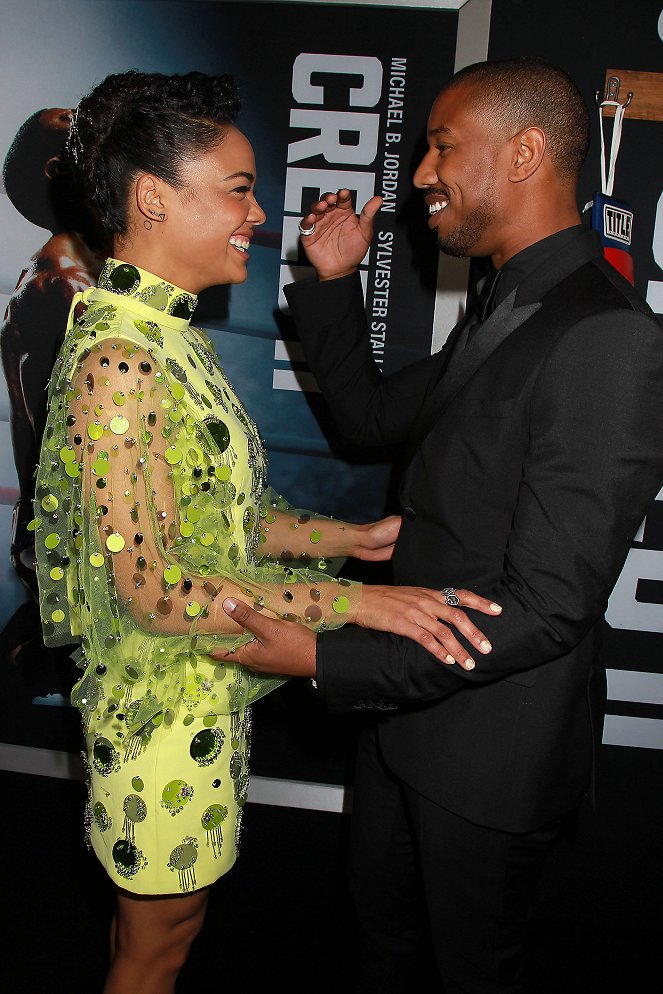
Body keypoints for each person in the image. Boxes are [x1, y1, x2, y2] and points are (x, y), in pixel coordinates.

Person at [33, 70, 498, 994]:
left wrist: (354, 537)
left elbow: (227, 524)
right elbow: (155, 588)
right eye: (239, 190)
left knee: (177, 931)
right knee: (153, 950)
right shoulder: (121, 357)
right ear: (153, 198)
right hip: (159, 722)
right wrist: (360, 601)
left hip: (199, 705)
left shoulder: (165, 337)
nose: (258, 214)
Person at [214, 59, 663, 992]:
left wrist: (323, 659)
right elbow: (370, 421)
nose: (419, 171)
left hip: (488, 753)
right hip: (404, 721)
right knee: (383, 949)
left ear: (527, 153)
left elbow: (545, 604)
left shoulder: (606, 334)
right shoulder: (508, 304)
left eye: (443, 145)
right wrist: (332, 283)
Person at [2, 107, 103, 595]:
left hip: (66, 530)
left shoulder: (76, 269)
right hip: (87, 535)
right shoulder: (65, 280)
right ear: (59, 168)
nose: (90, 116)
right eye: (72, 119)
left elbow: (28, 422)